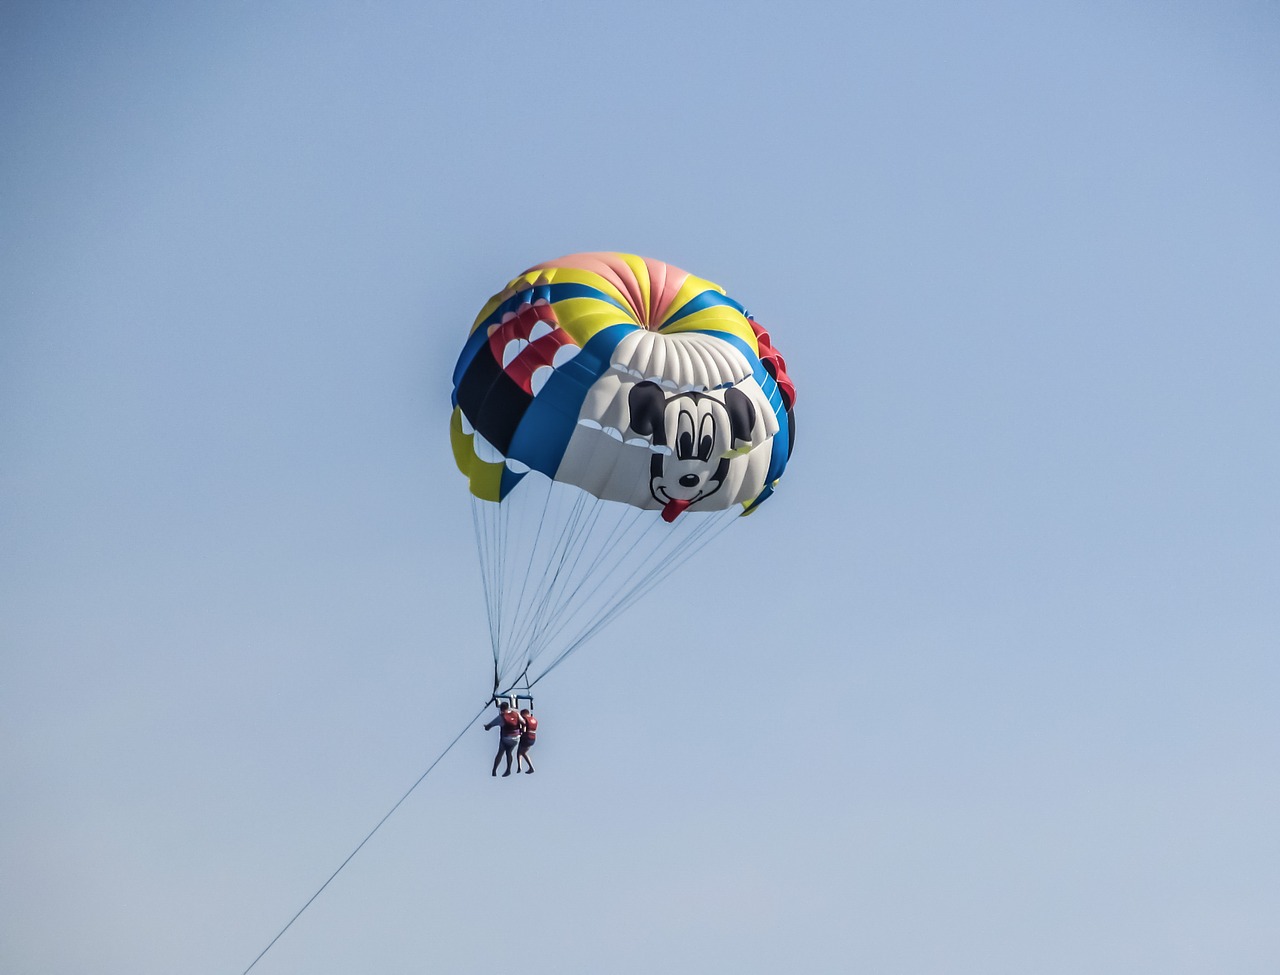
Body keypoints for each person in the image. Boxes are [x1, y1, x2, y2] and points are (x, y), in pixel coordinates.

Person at [484, 701, 524, 777]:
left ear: (501, 709)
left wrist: (486, 727)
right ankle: (508, 769)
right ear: (508, 707)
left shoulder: (501, 717)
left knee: (500, 752)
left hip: (506, 738)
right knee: (509, 753)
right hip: (516, 739)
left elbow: (489, 727)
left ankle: (494, 770)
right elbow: (523, 722)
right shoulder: (516, 714)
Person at [516, 708, 538, 774]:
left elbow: (524, 730)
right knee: (523, 752)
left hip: (526, 737)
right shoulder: (534, 719)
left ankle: (520, 766)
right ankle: (530, 767)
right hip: (533, 738)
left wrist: (520, 729)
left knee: (519, 752)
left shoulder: (525, 719)